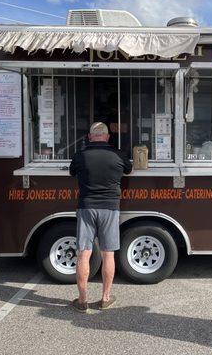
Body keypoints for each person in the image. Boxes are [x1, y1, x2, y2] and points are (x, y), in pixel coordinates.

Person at [69, 122, 132, 313]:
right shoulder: (118, 155)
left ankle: (82, 300)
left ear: (89, 137)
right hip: (110, 208)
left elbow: (72, 172)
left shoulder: (80, 156)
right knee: (108, 254)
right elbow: (128, 170)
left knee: (83, 253)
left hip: (87, 207)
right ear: (107, 136)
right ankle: (105, 298)